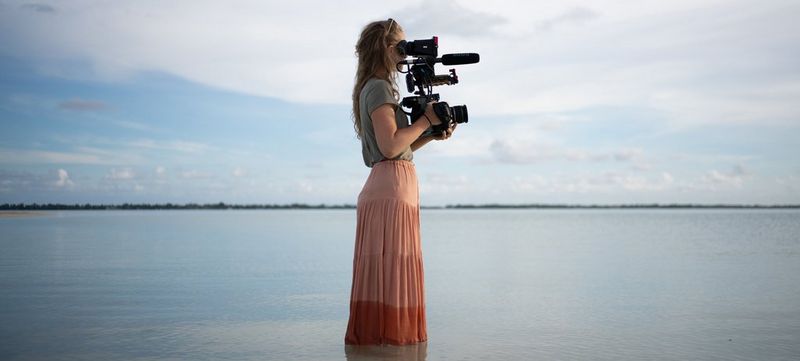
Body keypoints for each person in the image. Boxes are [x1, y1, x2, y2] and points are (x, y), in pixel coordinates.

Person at [344, 18, 455, 346]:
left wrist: (431, 134)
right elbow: (392, 146)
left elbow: (394, 148)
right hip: (391, 188)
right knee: (393, 275)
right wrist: (425, 120)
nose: (406, 52)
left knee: (388, 275)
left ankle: (379, 348)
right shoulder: (378, 86)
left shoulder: (375, 85)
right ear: (389, 48)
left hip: (390, 181)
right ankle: (394, 346)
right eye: (402, 45)